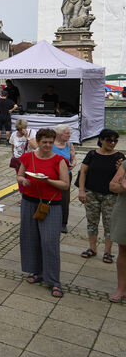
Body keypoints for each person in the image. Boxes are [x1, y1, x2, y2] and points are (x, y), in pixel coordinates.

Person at [16, 128, 70, 298]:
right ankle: (37, 272)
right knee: (31, 238)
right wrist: (24, 180)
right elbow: (19, 176)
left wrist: (47, 180)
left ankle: (54, 281)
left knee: (49, 242)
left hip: (51, 205)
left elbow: (65, 185)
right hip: (29, 202)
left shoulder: (59, 160)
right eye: (44, 142)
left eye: (50, 142)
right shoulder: (28, 157)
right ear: (37, 142)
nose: (47, 145)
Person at [78, 129, 123, 266]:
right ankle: (92, 248)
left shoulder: (119, 157)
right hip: (92, 193)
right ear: (101, 140)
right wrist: (81, 190)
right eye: (109, 140)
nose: (113, 143)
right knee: (92, 221)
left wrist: (120, 169)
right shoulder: (92, 154)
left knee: (109, 224)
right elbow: (83, 172)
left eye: (115, 140)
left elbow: (122, 179)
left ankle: (107, 251)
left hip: (111, 196)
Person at [108, 138, 126, 302]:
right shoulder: (125, 164)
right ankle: (121, 289)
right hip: (124, 212)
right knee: (123, 251)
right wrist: (122, 186)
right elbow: (112, 186)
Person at [52, 124, 76, 234]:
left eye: (69, 133)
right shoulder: (51, 144)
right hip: (52, 175)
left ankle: (63, 223)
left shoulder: (69, 144)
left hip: (66, 175)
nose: (69, 135)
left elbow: (73, 158)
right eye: (67, 133)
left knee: (64, 199)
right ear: (59, 134)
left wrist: (73, 164)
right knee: (50, 196)